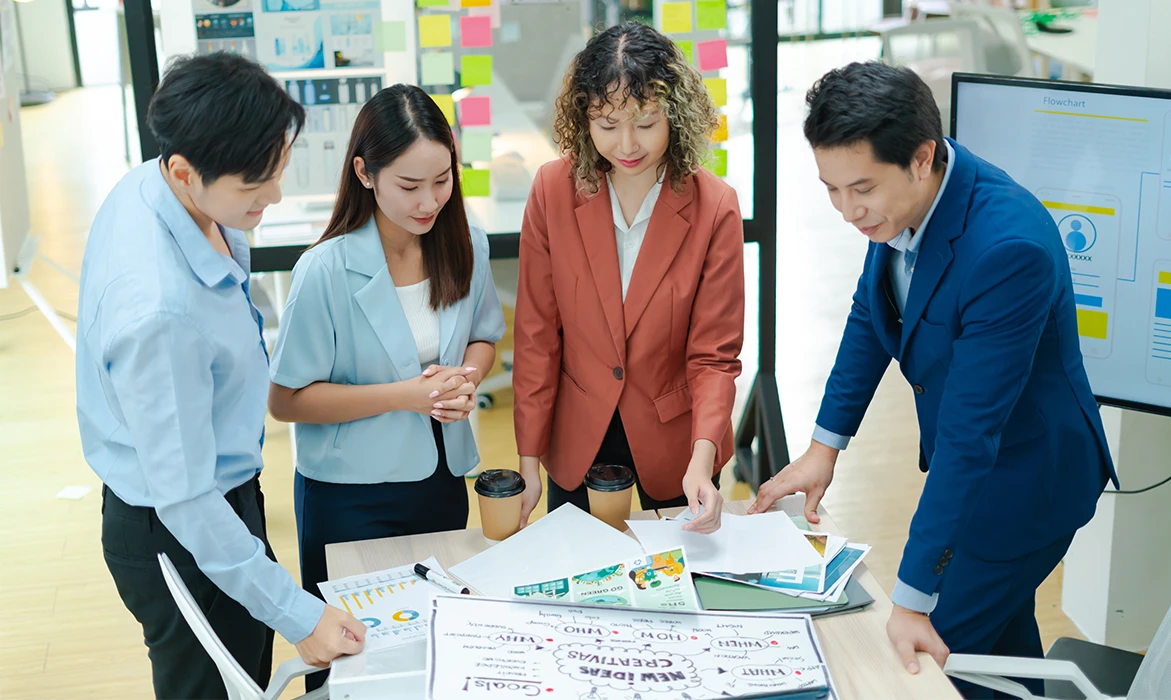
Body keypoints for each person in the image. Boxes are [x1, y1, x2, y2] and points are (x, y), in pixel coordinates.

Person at [750, 62, 1117, 699]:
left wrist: (914, 599)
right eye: (831, 189)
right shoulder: (900, 203)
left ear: (922, 158)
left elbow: (971, 437)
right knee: (1000, 656)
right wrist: (822, 449)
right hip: (979, 470)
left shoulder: (1008, 250)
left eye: (860, 189)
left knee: (926, 668)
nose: (847, 211)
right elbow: (871, 315)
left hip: (1026, 485)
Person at [76, 52, 365, 699]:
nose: (274, 196)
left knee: (247, 674)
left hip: (219, 498)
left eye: (278, 170)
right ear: (185, 170)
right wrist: (299, 615)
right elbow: (185, 499)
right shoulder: (158, 313)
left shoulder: (161, 185)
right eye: (254, 183)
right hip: (179, 530)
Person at [267, 83, 504, 686]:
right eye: (409, 185)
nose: (430, 201)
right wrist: (407, 396)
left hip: (442, 481)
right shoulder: (324, 271)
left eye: (442, 181)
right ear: (364, 174)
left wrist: (466, 378)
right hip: (350, 497)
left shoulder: (467, 244)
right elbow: (286, 400)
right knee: (355, 667)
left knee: (441, 652)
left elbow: (484, 337)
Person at [513, 21, 745, 534]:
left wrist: (703, 460)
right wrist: (528, 458)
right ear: (584, 118)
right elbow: (536, 336)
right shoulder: (552, 190)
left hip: (679, 445)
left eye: (646, 122)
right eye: (607, 124)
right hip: (578, 436)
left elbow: (714, 357)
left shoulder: (715, 207)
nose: (627, 144)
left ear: (676, 114)